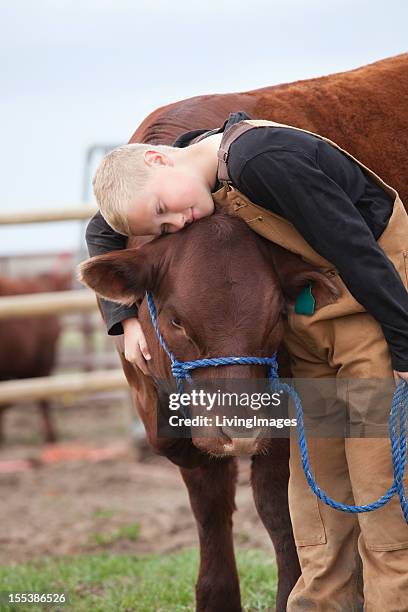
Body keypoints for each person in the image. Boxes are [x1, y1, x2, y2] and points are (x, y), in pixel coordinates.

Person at [85, 111, 408, 609]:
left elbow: (357, 252)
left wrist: (404, 344)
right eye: (164, 227)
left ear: (157, 157)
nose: (179, 224)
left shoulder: (260, 160)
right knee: (318, 484)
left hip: (368, 303)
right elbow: (103, 230)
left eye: (165, 211)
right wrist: (122, 319)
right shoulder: (200, 165)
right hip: (307, 317)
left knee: (374, 475)